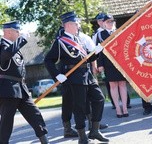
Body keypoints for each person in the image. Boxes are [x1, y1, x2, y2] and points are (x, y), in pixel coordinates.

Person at [44, 11, 109, 144]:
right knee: (79, 107)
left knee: (99, 99)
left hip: (87, 76)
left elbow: (85, 59)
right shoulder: (60, 42)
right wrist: (57, 75)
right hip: (74, 78)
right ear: (68, 25)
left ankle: (95, 130)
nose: (78, 25)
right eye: (76, 23)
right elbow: (48, 60)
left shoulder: (78, 39)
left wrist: (95, 53)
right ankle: (82, 138)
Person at [0, 21, 49, 144]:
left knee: (35, 115)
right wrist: (22, 40)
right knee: (6, 123)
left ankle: (45, 141)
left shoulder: (14, 47)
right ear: (8, 32)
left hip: (21, 89)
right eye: (17, 31)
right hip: (8, 90)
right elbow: (5, 55)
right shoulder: (3, 46)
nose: (19, 33)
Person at [93, 13, 131, 110]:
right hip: (108, 64)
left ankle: (125, 108)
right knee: (113, 86)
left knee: (122, 84)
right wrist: (100, 64)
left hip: (120, 63)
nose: (110, 23)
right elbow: (98, 52)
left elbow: (125, 47)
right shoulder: (100, 35)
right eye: (108, 22)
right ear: (104, 23)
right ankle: (118, 109)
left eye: (111, 21)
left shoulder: (119, 32)